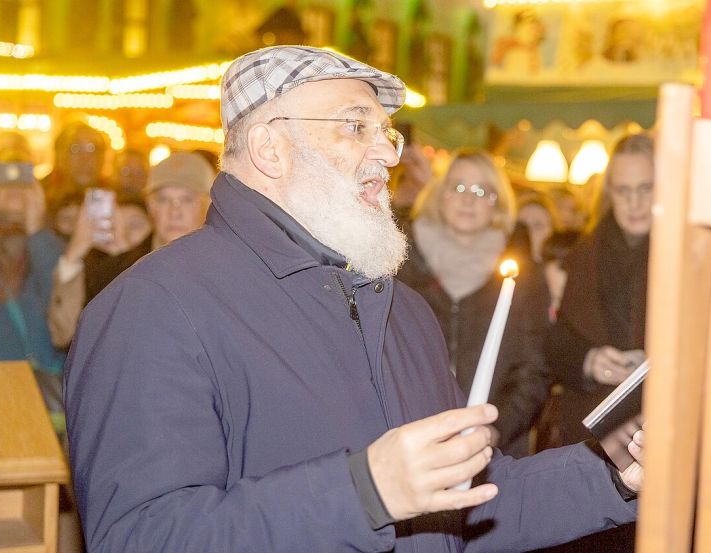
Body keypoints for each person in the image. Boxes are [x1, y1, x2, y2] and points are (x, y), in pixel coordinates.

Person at [64, 46, 642, 552]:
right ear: (269, 148)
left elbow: (467, 503)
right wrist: (365, 492)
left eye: (385, 132)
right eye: (355, 127)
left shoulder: (403, 312)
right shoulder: (154, 307)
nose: (388, 155)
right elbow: (144, 536)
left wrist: (612, 474)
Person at [538, 134, 654, 552]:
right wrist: (588, 360)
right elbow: (557, 339)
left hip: (660, 431)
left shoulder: (690, 251)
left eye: (646, 188)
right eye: (623, 191)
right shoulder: (586, 251)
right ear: (609, 194)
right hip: (593, 433)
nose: (634, 202)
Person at [397, 150, 551, 458]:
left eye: (481, 191)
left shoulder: (522, 274)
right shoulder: (401, 262)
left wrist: (497, 428)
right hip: (414, 439)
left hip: (496, 446)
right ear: (440, 195)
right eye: (458, 187)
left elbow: (534, 366)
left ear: (497, 204)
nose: (468, 200)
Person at [49, 151, 213, 348]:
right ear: (151, 206)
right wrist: (74, 255)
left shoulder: (225, 271)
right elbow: (71, 339)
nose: (174, 211)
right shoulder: (114, 272)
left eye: (187, 199)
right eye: (163, 200)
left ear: (208, 205)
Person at [0, 158, 67, 415]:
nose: (15, 192)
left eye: (23, 186)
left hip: (40, 377)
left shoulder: (51, 245)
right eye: (5, 185)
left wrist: (36, 230)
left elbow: (57, 296)